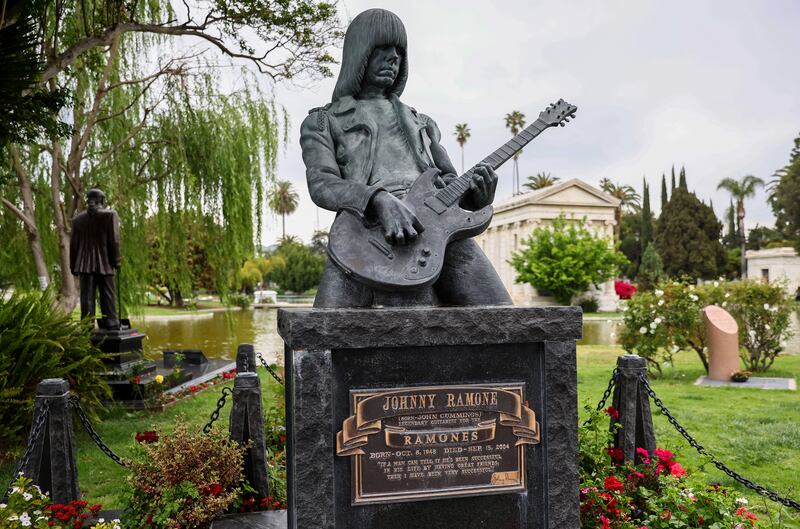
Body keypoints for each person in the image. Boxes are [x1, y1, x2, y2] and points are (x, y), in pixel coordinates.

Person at [300, 8, 511, 308]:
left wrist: (477, 197)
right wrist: (377, 200)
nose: (393, 58)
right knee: (320, 341)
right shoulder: (324, 121)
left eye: (399, 51)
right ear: (361, 53)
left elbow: (450, 181)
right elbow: (322, 184)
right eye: (382, 49)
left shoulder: (422, 123)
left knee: (504, 318)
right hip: (363, 233)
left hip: (438, 229)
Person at [70, 188, 121, 329]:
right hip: (105, 262)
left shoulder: (78, 219)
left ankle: (87, 326)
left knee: (87, 297)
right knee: (108, 294)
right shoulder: (110, 215)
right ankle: (111, 322)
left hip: (84, 264)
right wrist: (116, 260)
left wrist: (72, 265)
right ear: (101, 200)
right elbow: (114, 241)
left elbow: (73, 245)